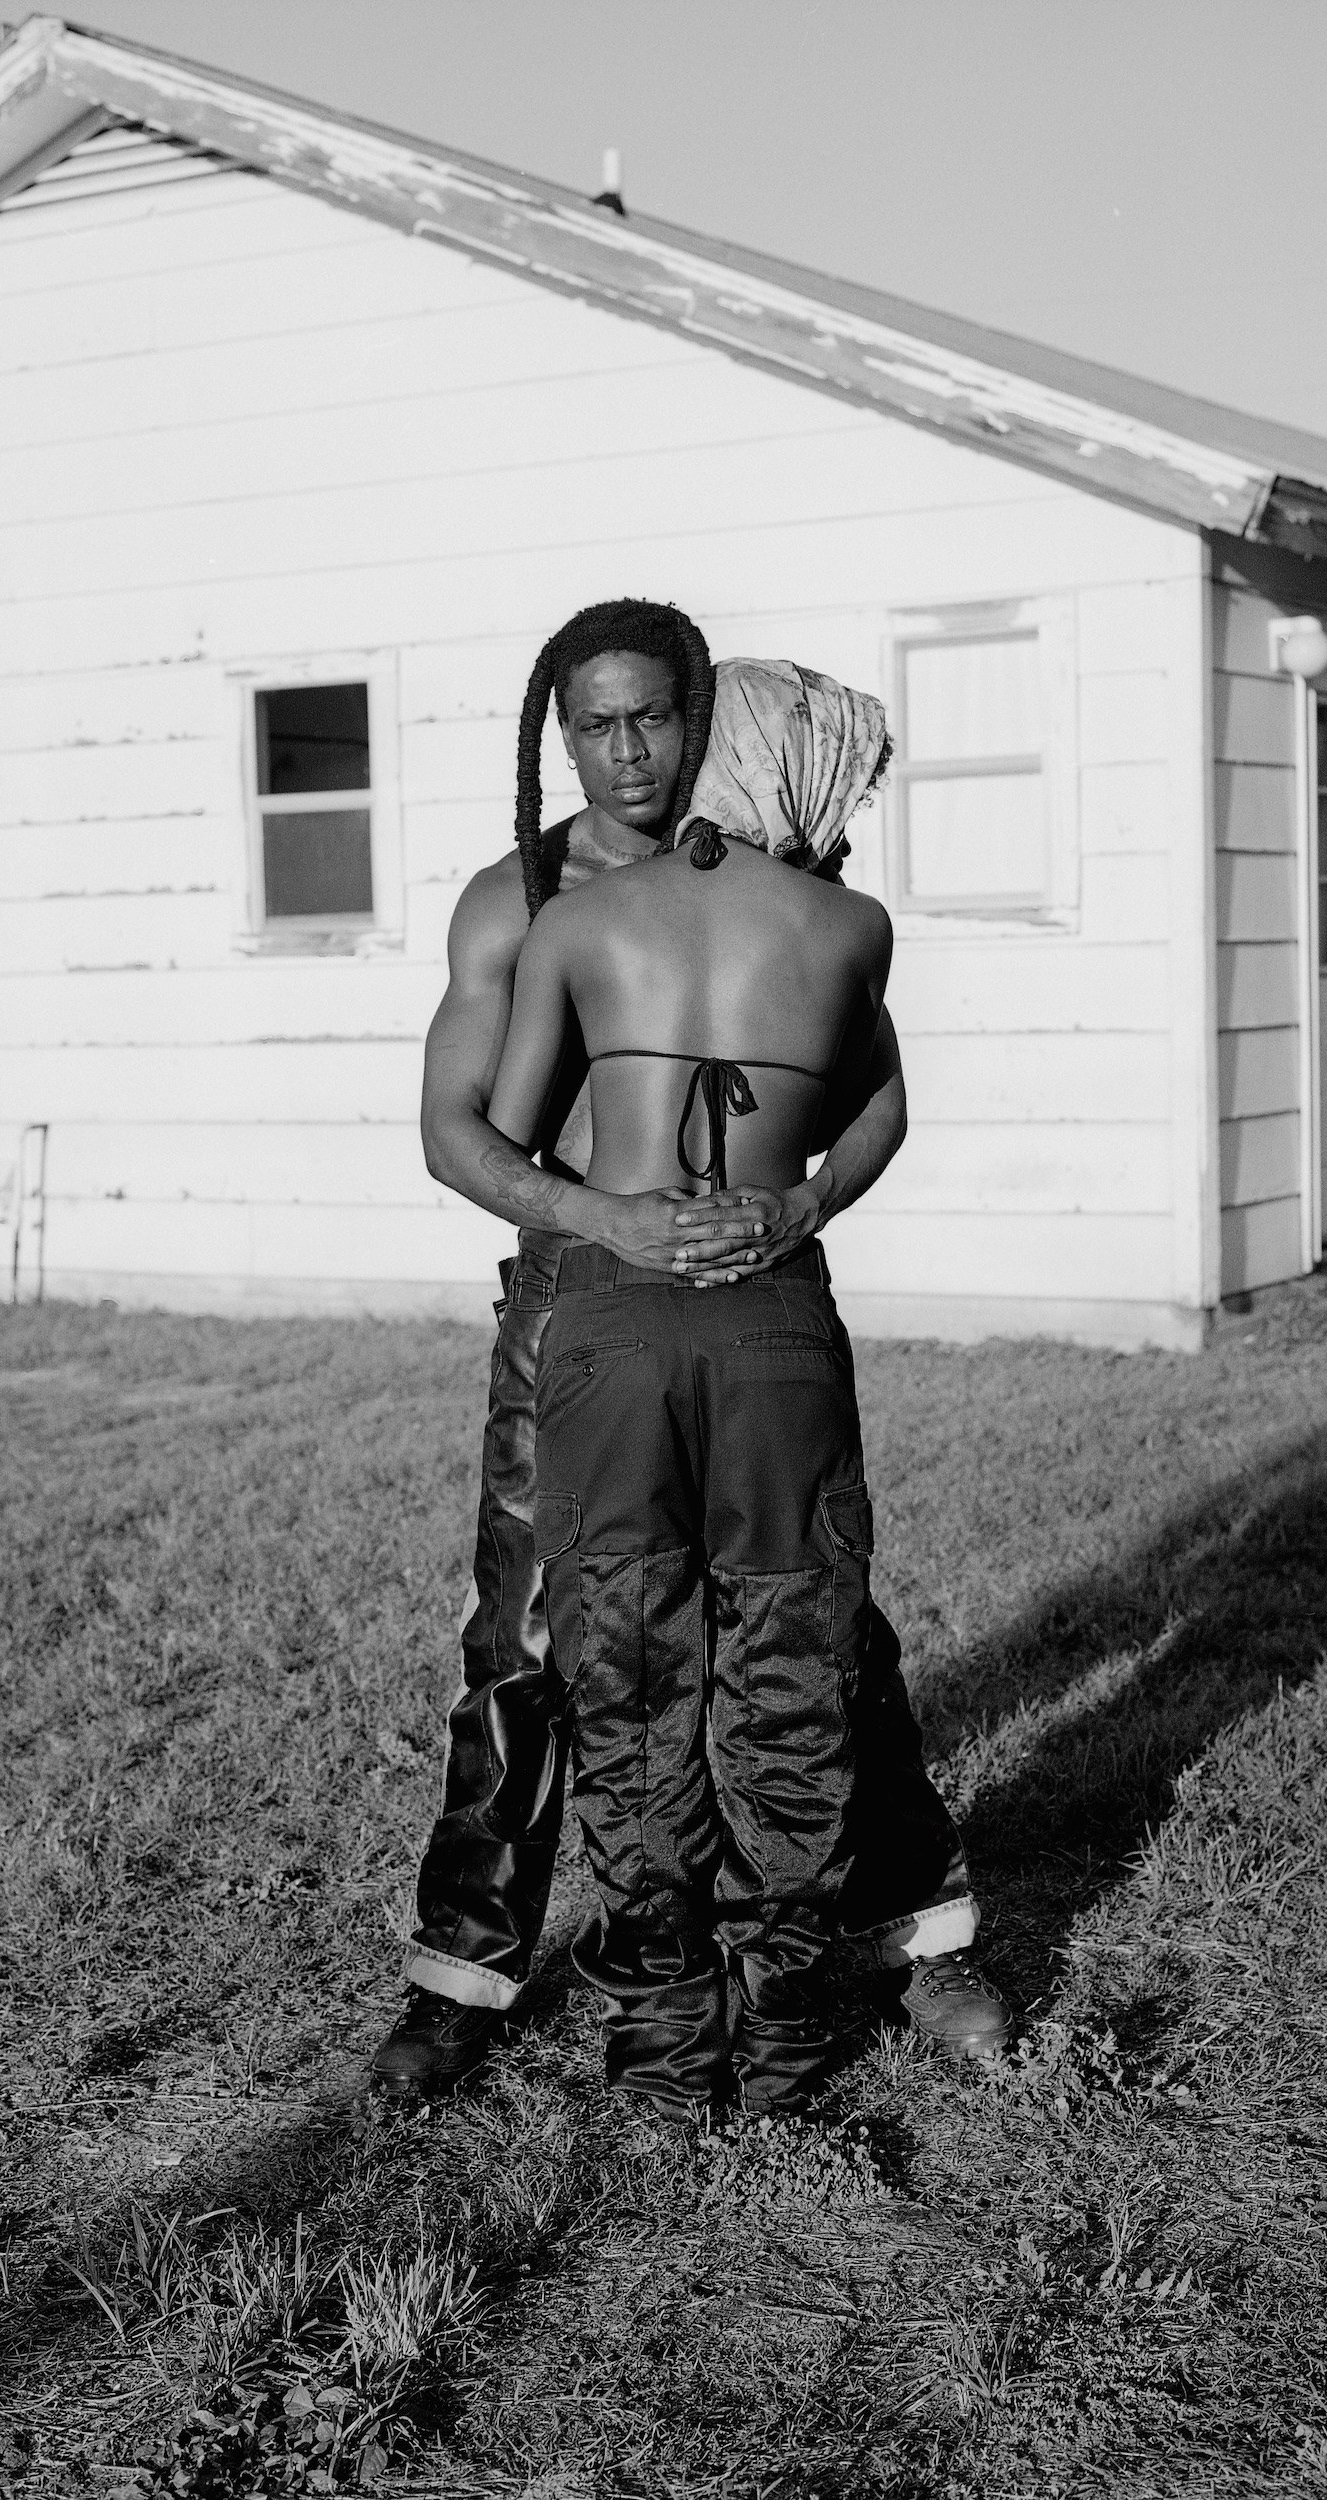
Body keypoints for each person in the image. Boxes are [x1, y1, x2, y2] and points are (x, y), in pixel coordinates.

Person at [371, 607, 1012, 2100]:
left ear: (702, 718)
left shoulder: (788, 885)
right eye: (594, 726)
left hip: (758, 1295)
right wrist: (607, 1218)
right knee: (528, 1642)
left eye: (656, 719)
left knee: (825, 1629)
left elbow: (871, 1092)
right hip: (577, 1304)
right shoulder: (518, 902)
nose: (629, 752)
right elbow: (463, 1133)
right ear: (562, 736)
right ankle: (464, 1978)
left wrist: (796, 1203)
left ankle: (921, 1936)